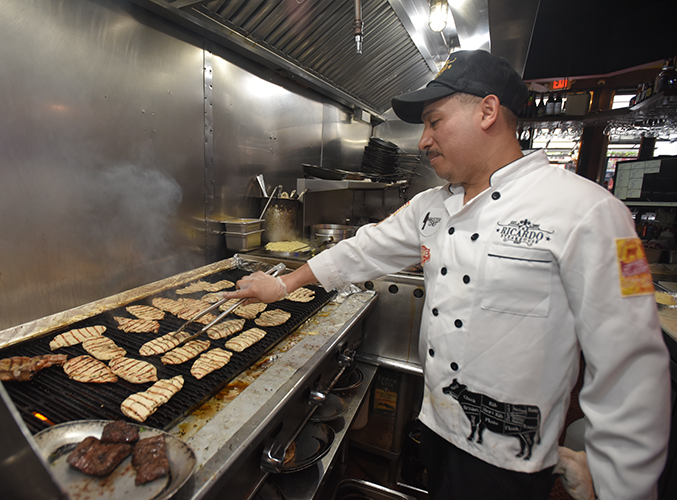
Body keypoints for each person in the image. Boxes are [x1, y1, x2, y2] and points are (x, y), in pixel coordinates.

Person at [224, 50, 671, 499]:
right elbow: (361, 251)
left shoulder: (589, 211)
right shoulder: (431, 206)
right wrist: (282, 284)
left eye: (434, 122)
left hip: (510, 459)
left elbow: (629, 366)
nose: (423, 141)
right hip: (436, 426)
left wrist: (620, 484)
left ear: (487, 111)